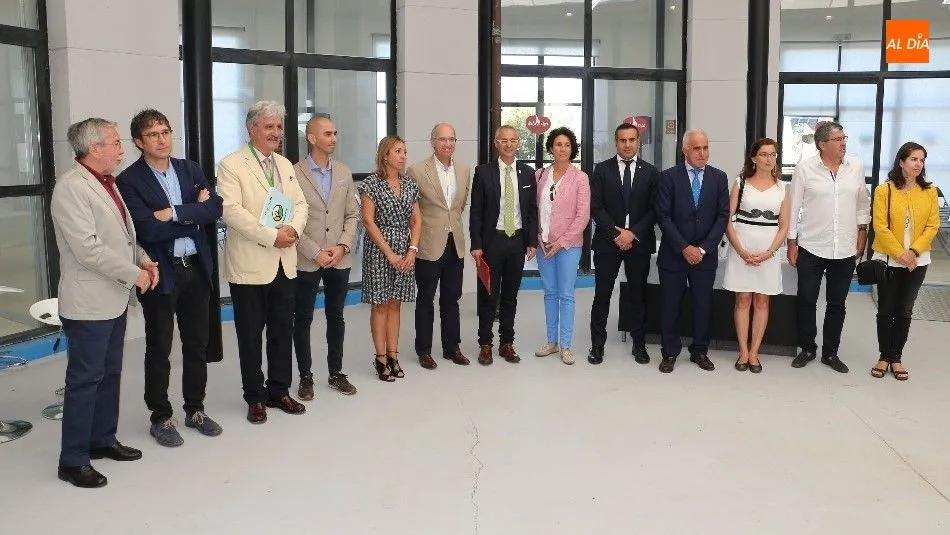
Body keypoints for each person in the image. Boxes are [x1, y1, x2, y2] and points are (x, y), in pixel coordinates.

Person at [52, 118, 158, 488]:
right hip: (88, 301)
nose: (120, 148)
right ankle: (73, 459)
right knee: (84, 380)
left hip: (112, 299)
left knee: (109, 374)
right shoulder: (71, 188)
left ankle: (102, 439)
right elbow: (88, 250)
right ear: (93, 148)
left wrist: (142, 258)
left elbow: (123, 238)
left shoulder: (105, 182)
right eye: (114, 143)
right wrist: (134, 274)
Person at [116, 109, 223, 446]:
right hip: (162, 273)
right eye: (153, 135)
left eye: (165, 132)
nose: (162, 140)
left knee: (197, 344)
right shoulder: (129, 180)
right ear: (138, 141)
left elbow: (215, 209)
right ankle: (161, 417)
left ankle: (195, 410)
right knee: (159, 347)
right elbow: (147, 228)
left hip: (197, 268)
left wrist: (175, 213)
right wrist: (193, 212)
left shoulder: (189, 169)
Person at [217, 101, 309, 423]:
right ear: (251, 129)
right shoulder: (231, 165)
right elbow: (230, 211)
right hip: (251, 264)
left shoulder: (285, 165)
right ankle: (255, 396)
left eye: (279, 127)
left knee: (283, 330)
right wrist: (272, 236)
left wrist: (294, 230)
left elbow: (300, 204)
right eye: (268, 126)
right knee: (251, 334)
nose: (275, 133)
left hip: (285, 261)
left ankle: (280, 390)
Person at [787, 121, 870, 373]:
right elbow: (793, 207)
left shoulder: (855, 167)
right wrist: (792, 242)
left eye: (844, 138)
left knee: (837, 303)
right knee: (807, 300)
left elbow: (862, 203)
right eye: (838, 139)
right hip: (811, 245)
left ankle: (831, 353)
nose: (844, 142)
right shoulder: (805, 168)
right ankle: (807, 348)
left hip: (844, 246)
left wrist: (862, 230)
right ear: (822, 144)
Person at [291, 113, 359, 399]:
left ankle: (336, 372)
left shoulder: (344, 172)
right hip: (307, 258)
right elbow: (289, 221)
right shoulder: (292, 173)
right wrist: (315, 252)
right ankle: (305, 376)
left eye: (335, 133)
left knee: (336, 316)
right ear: (311, 138)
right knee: (303, 318)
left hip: (339, 258)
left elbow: (352, 215)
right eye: (328, 134)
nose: (334, 138)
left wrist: (342, 246)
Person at [655, 129, 729, 373]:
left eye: (705, 147)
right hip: (674, 255)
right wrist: (685, 247)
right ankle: (669, 353)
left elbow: (722, 216)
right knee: (670, 306)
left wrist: (704, 249)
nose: (702, 153)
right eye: (696, 148)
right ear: (684, 150)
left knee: (702, 305)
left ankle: (700, 351)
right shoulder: (668, 178)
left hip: (704, 257)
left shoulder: (719, 178)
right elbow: (663, 216)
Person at [587, 122, 659, 365]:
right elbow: (596, 206)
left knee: (638, 296)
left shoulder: (651, 172)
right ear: (615, 142)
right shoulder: (602, 170)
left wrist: (633, 233)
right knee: (602, 295)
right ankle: (597, 346)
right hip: (607, 242)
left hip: (638, 242)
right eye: (622, 140)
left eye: (631, 140)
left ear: (638, 142)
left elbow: (654, 209)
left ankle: (639, 345)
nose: (627, 145)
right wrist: (617, 233)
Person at [869, 142, 939, 381]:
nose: (918, 164)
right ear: (901, 162)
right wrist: (902, 253)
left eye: (921, 160)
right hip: (889, 258)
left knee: (905, 310)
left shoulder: (929, 191)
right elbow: (880, 226)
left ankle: (896, 357)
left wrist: (914, 252)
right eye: (913, 159)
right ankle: (883, 356)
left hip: (918, 260)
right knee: (886, 308)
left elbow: (932, 226)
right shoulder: (884, 190)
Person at [470, 125, 538, 365]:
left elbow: (531, 210)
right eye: (503, 140)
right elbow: (476, 211)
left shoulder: (528, 173)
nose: (508, 144)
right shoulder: (483, 172)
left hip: (518, 241)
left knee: (510, 296)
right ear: (496, 143)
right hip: (492, 242)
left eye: (513, 140)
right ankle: (485, 344)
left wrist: (531, 241)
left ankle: (506, 343)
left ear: (518, 142)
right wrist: (476, 244)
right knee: (489, 295)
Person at [722, 138, 790, 373]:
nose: (769, 158)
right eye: (763, 154)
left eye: (773, 154)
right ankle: (742, 351)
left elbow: (784, 226)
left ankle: (754, 353)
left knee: (762, 300)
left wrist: (770, 253)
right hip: (742, 249)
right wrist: (741, 250)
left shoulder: (782, 187)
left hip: (768, 252)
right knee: (743, 300)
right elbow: (728, 219)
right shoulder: (740, 183)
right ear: (753, 158)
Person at [407, 123, 471, 370]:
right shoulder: (416, 170)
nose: (448, 144)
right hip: (428, 243)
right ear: (432, 142)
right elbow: (414, 211)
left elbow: (459, 205)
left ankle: (451, 347)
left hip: (455, 243)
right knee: (425, 299)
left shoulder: (465, 170)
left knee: (452, 298)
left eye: (452, 139)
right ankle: (423, 350)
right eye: (442, 139)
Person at [360, 135, 421, 381]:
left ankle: (393, 354)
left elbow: (417, 220)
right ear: (385, 155)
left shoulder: (410, 185)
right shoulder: (370, 184)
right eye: (398, 151)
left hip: (405, 251)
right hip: (379, 250)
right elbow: (368, 221)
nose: (403, 155)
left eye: (405, 151)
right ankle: (380, 358)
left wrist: (412, 250)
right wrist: (389, 253)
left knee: (396, 303)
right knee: (381, 304)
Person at [532, 127, 590, 365]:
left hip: (569, 246)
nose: (562, 149)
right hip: (542, 244)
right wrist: (536, 236)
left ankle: (566, 345)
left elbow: (583, 215)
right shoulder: (539, 176)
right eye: (558, 144)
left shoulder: (581, 178)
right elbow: (532, 209)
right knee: (549, 293)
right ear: (551, 148)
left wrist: (562, 242)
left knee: (566, 294)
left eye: (567, 145)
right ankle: (551, 341)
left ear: (572, 148)